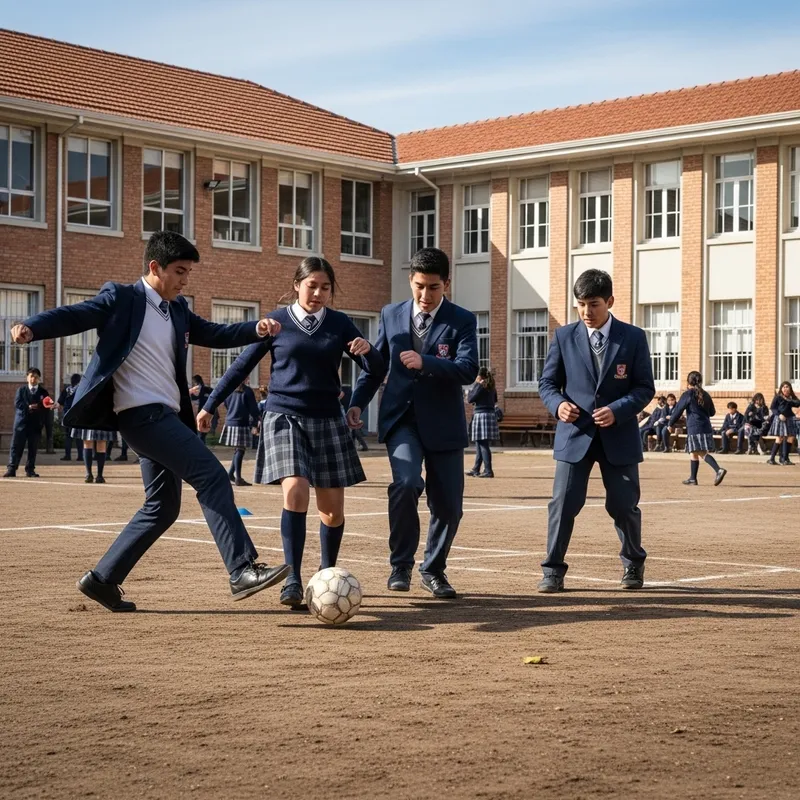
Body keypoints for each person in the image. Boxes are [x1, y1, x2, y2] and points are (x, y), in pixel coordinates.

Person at [10, 230, 289, 611]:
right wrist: (35, 327)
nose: (184, 280)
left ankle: (103, 579)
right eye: (179, 271)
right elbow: (77, 313)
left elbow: (212, 332)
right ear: (154, 267)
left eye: (188, 272)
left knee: (162, 506)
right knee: (210, 475)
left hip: (164, 418)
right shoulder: (123, 297)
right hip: (142, 415)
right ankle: (241, 568)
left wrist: (254, 329)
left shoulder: (177, 310)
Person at [199, 257, 383, 609]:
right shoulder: (277, 322)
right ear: (297, 285)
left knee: (332, 511)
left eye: (325, 287)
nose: (317, 293)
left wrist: (368, 356)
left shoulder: (341, 325)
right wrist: (210, 406)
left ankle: (326, 574)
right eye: (311, 285)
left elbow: (376, 370)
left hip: (329, 419)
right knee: (296, 489)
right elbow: (240, 367)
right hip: (284, 417)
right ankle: (294, 579)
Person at [350, 247, 479, 599]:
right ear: (410, 280)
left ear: (446, 284)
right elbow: (378, 366)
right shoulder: (391, 314)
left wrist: (425, 362)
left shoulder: (463, 320)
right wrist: (357, 403)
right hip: (401, 418)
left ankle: (433, 570)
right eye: (419, 286)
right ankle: (401, 565)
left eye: (433, 288)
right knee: (406, 483)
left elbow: (468, 369)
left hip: (445, 423)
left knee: (449, 506)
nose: (425, 296)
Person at [537, 269, 655, 592]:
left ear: (610, 302)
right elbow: (547, 383)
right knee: (562, 504)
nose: (587, 312)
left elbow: (645, 388)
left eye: (594, 304)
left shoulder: (633, 338)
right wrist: (558, 405)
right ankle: (552, 571)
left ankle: (633, 566)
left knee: (623, 505)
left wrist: (617, 411)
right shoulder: (563, 337)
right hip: (574, 436)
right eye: (580, 305)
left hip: (619, 437)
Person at [667, 371, 727, 486]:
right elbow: (712, 412)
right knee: (693, 452)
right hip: (706, 426)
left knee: (701, 452)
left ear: (688, 381)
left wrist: (670, 423)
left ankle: (718, 469)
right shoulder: (705, 394)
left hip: (695, 427)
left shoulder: (688, 394)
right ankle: (693, 478)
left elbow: (678, 410)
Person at [4, 367, 50, 478]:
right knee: (16, 446)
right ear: (27, 378)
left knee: (32, 448)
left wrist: (39, 408)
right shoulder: (21, 390)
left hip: (35, 424)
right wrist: (28, 406)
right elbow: (18, 404)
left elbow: (47, 406)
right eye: (31, 376)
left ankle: (30, 470)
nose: (33, 379)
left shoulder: (43, 392)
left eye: (36, 377)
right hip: (21, 423)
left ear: (39, 378)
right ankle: (11, 468)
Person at [219, 382, 260, 486]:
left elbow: (226, 404)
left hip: (230, 420)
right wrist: (255, 422)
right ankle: (238, 478)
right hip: (241, 422)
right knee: (240, 450)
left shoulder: (229, 389)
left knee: (238, 450)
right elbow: (253, 409)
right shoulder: (247, 391)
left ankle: (230, 474)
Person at [466, 367, 498, 478]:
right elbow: (495, 400)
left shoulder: (480, 386)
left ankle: (488, 470)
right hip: (489, 414)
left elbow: (470, 399)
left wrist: (476, 384)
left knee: (483, 444)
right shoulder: (491, 386)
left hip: (481, 414)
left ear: (480, 376)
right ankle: (476, 469)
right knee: (479, 444)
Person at [766, 381, 800, 466]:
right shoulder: (778, 397)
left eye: (787, 387)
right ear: (781, 389)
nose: (785, 388)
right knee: (780, 438)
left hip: (789, 419)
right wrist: (779, 414)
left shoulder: (791, 398)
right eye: (784, 387)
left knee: (791, 437)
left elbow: (797, 403)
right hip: (780, 419)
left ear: (790, 389)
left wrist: (792, 397)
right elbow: (772, 408)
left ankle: (785, 458)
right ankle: (772, 459)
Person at [57, 373, 83, 461]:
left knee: (68, 436)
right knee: (78, 437)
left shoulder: (66, 390)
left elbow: (60, 403)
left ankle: (67, 455)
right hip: (78, 416)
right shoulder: (81, 390)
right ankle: (80, 456)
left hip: (67, 415)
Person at [189, 375, 213, 443]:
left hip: (201, 414)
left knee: (200, 435)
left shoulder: (199, 390)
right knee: (201, 435)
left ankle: (201, 450)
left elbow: (195, 398)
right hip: (207, 413)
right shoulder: (208, 390)